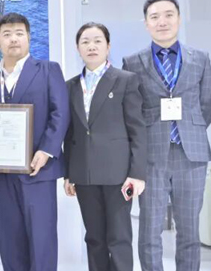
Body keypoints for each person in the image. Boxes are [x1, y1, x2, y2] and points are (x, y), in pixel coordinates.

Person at [122, 0, 211, 271]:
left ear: (179, 19)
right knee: (150, 231)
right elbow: (131, 112)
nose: (162, 22)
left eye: (168, 15)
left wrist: (188, 130)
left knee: (189, 231)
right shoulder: (132, 62)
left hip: (191, 155)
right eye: (154, 17)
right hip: (151, 157)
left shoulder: (200, 58)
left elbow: (207, 105)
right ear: (146, 23)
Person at [0, 12, 69, 271]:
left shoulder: (48, 70)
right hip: (3, 174)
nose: (13, 39)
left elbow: (60, 113)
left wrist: (47, 151)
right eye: (6, 34)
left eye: (19, 33)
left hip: (38, 169)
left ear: (28, 37)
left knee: (42, 240)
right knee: (10, 241)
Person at [64, 23, 146, 271]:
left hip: (118, 175)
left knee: (119, 238)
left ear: (108, 46)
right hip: (84, 175)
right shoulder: (70, 86)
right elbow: (69, 133)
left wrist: (137, 173)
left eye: (97, 41)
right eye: (85, 41)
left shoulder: (125, 80)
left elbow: (137, 129)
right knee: (94, 238)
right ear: (78, 48)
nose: (91, 46)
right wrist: (68, 173)